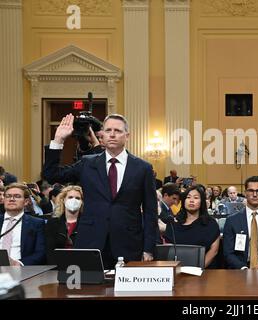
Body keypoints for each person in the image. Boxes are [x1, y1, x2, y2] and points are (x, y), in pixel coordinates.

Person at [43, 114, 158, 268]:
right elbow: (52, 174)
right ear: (101, 135)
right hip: (91, 241)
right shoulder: (87, 163)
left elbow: (151, 211)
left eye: (117, 130)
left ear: (127, 136)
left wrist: (149, 249)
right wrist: (58, 140)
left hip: (129, 244)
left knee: (126, 292)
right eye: (108, 130)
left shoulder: (143, 168)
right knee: (88, 291)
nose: (112, 134)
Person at [163, 186, 220, 268]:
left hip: (203, 271)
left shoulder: (210, 223)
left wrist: (199, 268)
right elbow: (168, 250)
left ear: (202, 202)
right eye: (188, 197)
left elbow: (214, 251)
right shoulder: (174, 222)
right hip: (177, 270)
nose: (191, 200)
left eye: (196, 198)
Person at [0, 183, 46, 266]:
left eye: (17, 196)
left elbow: (40, 253)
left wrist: (19, 263)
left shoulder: (36, 223)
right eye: (8, 196)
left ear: (26, 201)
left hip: (21, 271)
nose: (11, 199)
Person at [45, 185, 83, 264]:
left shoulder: (87, 224)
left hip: (81, 266)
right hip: (57, 267)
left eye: (78, 198)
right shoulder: (52, 223)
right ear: (63, 200)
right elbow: (49, 251)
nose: (74, 200)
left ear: (82, 202)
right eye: (70, 197)